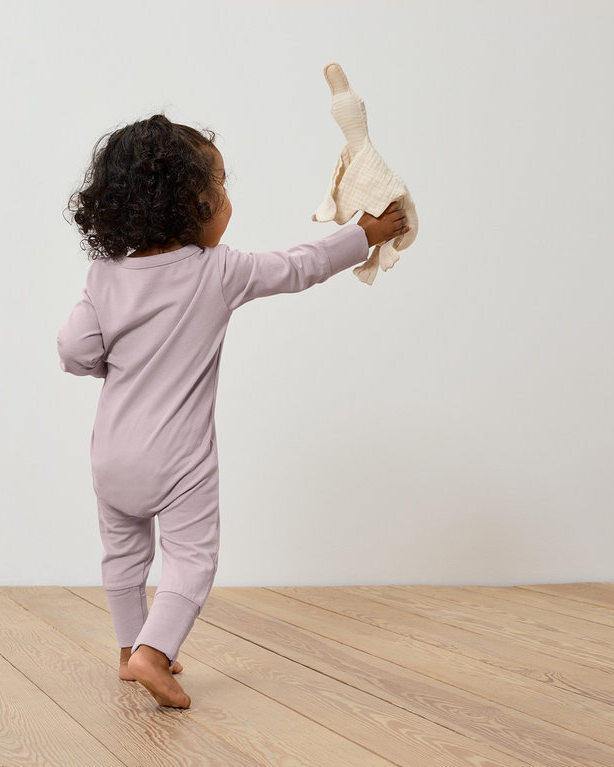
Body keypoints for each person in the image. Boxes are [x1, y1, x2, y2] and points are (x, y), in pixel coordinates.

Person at [57, 114, 408, 708]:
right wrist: (365, 235)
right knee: (190, 559)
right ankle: (153, 652)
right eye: (220, 186)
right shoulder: (218, 271)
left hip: (111, 455)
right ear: (189, 206)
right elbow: (300, 266)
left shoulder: (104, 275)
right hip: (179, 462)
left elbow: (73, 351)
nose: (228, 198)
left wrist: (112, 368)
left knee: (123, 553)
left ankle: (127, 649)